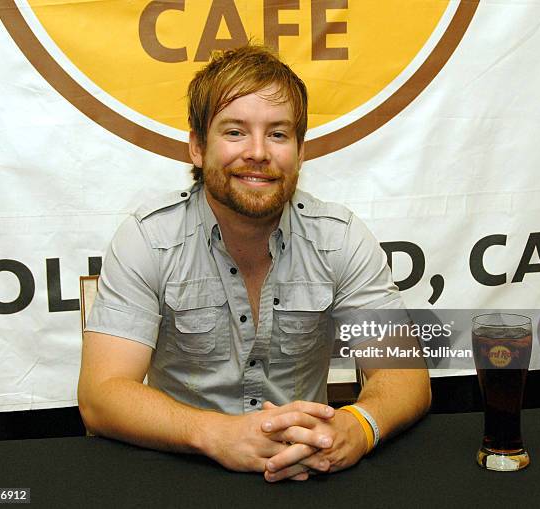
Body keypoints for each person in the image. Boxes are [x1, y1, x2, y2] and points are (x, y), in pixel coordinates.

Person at [78, 44, 431, 482]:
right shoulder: (148, 240)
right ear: (197, 146)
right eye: (234, 132)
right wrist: (217, 434)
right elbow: (101, 396)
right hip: (182, 474)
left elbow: (407, 376)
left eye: (278, 134)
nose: (258, 152)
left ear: (300, 153)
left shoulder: (339, 237)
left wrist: (357, 427)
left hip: (309, 473)